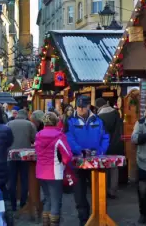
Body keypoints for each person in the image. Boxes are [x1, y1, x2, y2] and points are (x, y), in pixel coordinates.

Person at [66, 96, 109, 226]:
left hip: (96, 161)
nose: (80, 109)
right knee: (79, 194)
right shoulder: (70, 121)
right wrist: (80, 150)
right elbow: (69, 138)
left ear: (88, 106)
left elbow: (106, 137)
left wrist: (101, 151)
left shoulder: (99, 120)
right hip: (77, 162)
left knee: (99, 191)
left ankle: (100, 217)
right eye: (78, 107)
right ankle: (83, 220)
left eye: (83, 107)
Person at [36, 112, 73, 226]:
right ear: (56, 122)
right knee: (56, 201)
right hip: (54, 172)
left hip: (41, 171)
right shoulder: (59, 135)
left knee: (47, 199)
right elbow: (67, 156)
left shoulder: (39, 135)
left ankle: (45, 223)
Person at [6, 109, 36, 212]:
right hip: (25, 155)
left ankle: (13, 204)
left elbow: (6, 138)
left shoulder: (9, 123)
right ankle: (23, 202)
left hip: (11, 155)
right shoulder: (29, 124)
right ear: (26, 115)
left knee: (12, 180)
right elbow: (34, 139)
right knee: (24, 179)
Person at [96, 98, 124, 199]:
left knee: (104, 167)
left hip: (105, 145)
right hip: (116, 144)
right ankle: (113, 190)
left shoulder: (100, 116)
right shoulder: (116, 113)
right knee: (114, 168)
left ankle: (104, 189)